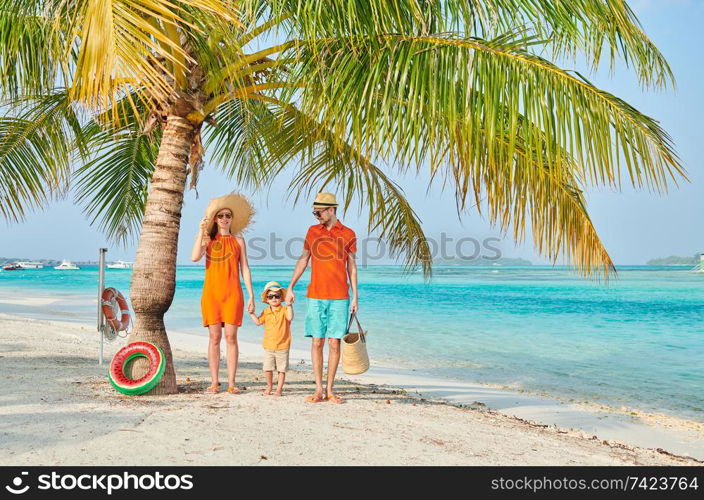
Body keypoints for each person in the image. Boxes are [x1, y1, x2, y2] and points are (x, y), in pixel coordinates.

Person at [285, 192, 358, 404]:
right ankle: (318, 389)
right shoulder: (312, 231)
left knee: (335, 343)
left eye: (319, 212)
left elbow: (351, 267)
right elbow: (303, 260)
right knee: (317, 342)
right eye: (314, 212)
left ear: (331, 210)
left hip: (340, 296)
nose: (316, 216)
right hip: (315, 295)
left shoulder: (349, 234)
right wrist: (290, 286)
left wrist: (355, 296)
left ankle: (330, 389)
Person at [191, 193, 255, 394]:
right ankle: (214, 382)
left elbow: (245, 268)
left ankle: (232, 383)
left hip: (233, 293)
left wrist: (251, 295)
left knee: (231, 337)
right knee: (214, 337)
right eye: (221, 216)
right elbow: (194, 257)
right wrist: (201, 232)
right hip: (212, 294)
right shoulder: (207, 239)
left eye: (228, 215)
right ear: (215, 219)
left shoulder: (239, 241)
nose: (225, 219)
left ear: (232, 219)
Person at [248, 281, 293, 396]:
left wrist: (289, 305)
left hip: (283, 345)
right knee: (267, 368)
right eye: (271, 296)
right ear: (267, 299)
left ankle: (279, 389)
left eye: (277, 296)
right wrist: (251, 314)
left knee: (281, 370)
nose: (274, 298)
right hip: (268, 346)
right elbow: (258, 322)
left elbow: (290, 317)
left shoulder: (284, 310)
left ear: (281, 298)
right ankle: (269, 386)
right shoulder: (266, 312)